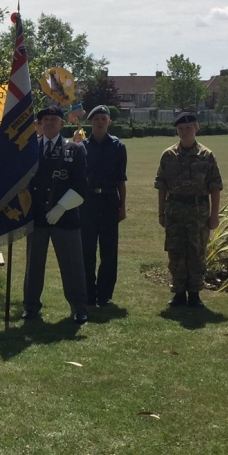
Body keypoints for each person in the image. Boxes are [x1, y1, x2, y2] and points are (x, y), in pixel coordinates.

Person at [22, 105, 89, 324]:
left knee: (72, 264)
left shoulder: (76, 150)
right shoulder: (30, 150)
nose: (50, 123)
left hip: (66, 218)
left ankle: (79, 307)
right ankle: (30, 306)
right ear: (39, 125)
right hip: (38, 218)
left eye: (54, 119)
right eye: (46, 120)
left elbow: (82, 186)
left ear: (62, 123)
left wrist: (61, 207)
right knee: (34, 265)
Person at [155, 112, 222, 308]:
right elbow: (161, 186)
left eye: (188, 128)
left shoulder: (206, 156)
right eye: (181, 129)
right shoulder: (168, 156)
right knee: (175, 252)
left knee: (196, 253)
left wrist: (214, 215)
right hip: (174, 211)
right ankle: (178, 293)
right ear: (177, 130)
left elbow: (215, 187)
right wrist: (161, 212)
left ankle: (194, 294)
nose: (184, 132)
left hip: (198, 212)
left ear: (196, 128)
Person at [80, 106, 127, 307]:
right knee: (86, 250)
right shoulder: (81, 147)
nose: (100, 122)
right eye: (96, 118)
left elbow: (121, 180)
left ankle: (104, 294)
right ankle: (88, 294)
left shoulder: (118, 147)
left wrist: (122, 206)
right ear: (90, 122)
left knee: (109, 251)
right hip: (87, 202)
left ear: (109, 122)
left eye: (103, 118)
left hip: (109, 201)